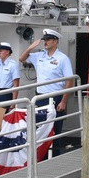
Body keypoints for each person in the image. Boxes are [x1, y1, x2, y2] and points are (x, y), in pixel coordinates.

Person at [19, 28, 74, 156]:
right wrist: (30, 47)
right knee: (39, 130)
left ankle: (55, 158)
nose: (45, 42)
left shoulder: (62, 58)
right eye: (44, 40)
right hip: (40, 98)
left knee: (55, 130)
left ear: (56, 41)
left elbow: (70, 81)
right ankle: (41, 158)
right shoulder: (39, 56)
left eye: (48, 40)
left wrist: (64, 101)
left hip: (56, 98)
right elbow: (21, 58)